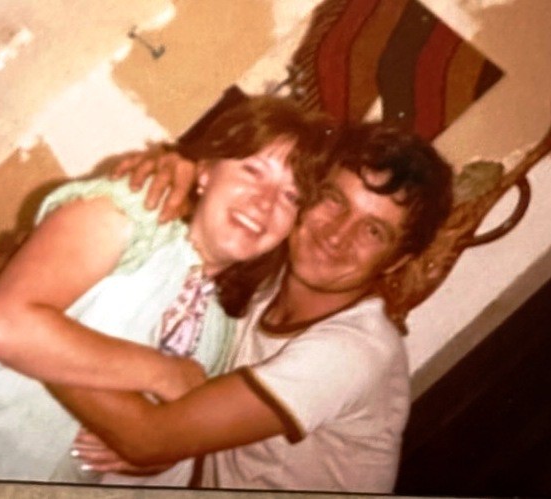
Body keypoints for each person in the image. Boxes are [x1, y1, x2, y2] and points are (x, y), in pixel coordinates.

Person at [46, 121, 454, 493]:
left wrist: (35, 325)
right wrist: (178, 168)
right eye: (334, 200)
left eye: (373, 231)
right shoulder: (268, 270)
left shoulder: (355, 352)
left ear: (396, 261)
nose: (337, 235)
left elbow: (149, 438)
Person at [0, 96, 333, 484]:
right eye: (252, 170)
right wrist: (163, 373)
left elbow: (162, 438)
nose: (264, 202)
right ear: (205, 171)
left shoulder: (220, 329)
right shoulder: (136, 211)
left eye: (291, 197)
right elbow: (4, 328)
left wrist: (156, 455)